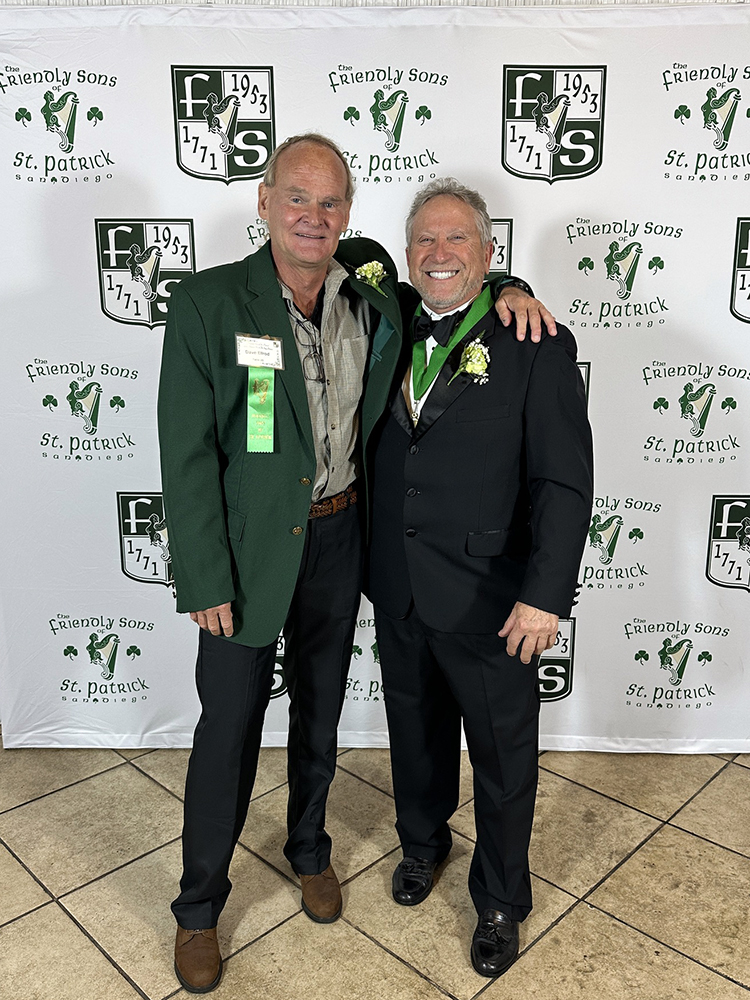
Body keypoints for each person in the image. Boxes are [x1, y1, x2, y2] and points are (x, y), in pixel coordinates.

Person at [157, 134, 553, 994]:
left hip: (341, 542)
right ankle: (198, 907)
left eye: (331, 201)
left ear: (349, 214)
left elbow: (455, 288)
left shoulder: (373, 292)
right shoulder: (207, 303)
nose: (314, 215)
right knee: (226, 733)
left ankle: (309, 850)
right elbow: (184, 454)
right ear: (263, 201)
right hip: (246, 556)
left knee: (321, 717)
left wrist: (510, 287)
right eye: (297, 197)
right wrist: (204, 575)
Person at [366, 178, 593, 979]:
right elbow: (342, 254)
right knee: (413, 736)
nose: (439, 253)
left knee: (502, 761)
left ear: (489, 252)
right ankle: (423, 844)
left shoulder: (535, 341)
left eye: (457, 238)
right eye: (424, 239)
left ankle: (500, 898)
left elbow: (563, 482)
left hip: (494, 597)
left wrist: (544, 596)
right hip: (399, 586)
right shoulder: (385, 321)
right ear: (406, 253)